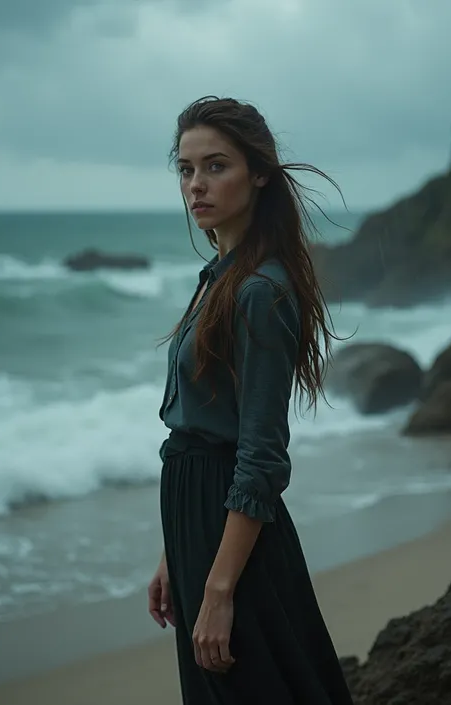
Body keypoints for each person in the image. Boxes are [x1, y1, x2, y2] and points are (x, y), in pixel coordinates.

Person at [148, 95, 354, 705]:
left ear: (259, 172)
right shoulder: (221, 278)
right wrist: (171, 552)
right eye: (186, 169)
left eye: (216, 166)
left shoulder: (260, 289)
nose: (196, 185)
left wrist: (217, 592)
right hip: (199, 523)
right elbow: (202, 430)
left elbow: (260, 456)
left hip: (233, 532)